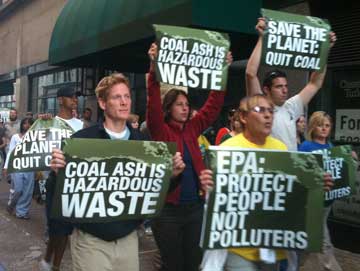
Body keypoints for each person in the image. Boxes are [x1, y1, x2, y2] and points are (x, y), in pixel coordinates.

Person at [47, 73, 185, 271]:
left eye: (127, 96)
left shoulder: (143, 144)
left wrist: (172, 176)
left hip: (128, 238)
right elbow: (59, 193)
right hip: (91, 240)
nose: (123, 102)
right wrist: (56, 172)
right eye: (116, 97)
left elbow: (153, 192)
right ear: (103, 104)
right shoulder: (82, 140)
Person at [199, 95, 333, 271]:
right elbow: (214, 199)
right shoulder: (227, 151)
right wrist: (207, 186)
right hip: (237, 247)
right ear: (244, 117)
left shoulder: (280, 149)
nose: (268, 115)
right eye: (260, 110)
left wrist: (315, 186)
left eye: (270, 110)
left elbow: (291, 196)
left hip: (272, 247)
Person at [146, 43, 232, 271]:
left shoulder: (194, 127)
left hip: (195, 208)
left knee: (194, 264)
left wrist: (222, 70)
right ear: (168, 108)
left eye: (187, 104)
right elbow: (152, 100)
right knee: (173, 265)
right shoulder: (160, 129)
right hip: (167, 212)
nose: (185, 108)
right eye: (179, 104)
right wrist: (153, 66)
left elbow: (213, 107)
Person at [246, 18, 337, 152]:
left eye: (286, 86)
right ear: (266, 89)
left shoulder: (291, 106)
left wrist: (325, 50)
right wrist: (261, 38)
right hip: (270, 167)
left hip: (291, 168)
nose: (284, 90)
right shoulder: (260, 107)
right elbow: (250, 74)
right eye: (278, 87)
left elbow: (315, 83)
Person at [40, 86, 83, 271]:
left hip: (73, 182)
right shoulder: (49, 122)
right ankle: (48, 258)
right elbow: (37, 148)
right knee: (55, 225)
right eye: (71, 97)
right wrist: (41, 124)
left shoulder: (81, 125)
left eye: (76, 97)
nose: (75, 99)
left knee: (64, 227)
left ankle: (54, 265)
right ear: (60, 100)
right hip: (54, 181)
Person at [298, 111, 342, 271]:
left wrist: (348, 158)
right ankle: (332, 267)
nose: (323, 128)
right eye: (319, 125)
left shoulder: (331, 147)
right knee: (323, 239)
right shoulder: (306, 146)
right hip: (312, 200)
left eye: (327, 125)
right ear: (312, 127)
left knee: (317, 239)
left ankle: (309, 266)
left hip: (328, 200)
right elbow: (300, 171)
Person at [5, 117, 35, 219]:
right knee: (18, 189)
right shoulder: (15, 137)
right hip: (17, 166)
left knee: (27, 191)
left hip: (30, 167)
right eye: (25, 123)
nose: (27, 125)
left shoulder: (35, 137)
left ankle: (21, 212)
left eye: (30, 123)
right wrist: (6, 166)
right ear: (22, 125)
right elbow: (10, 152)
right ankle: (11, 206)